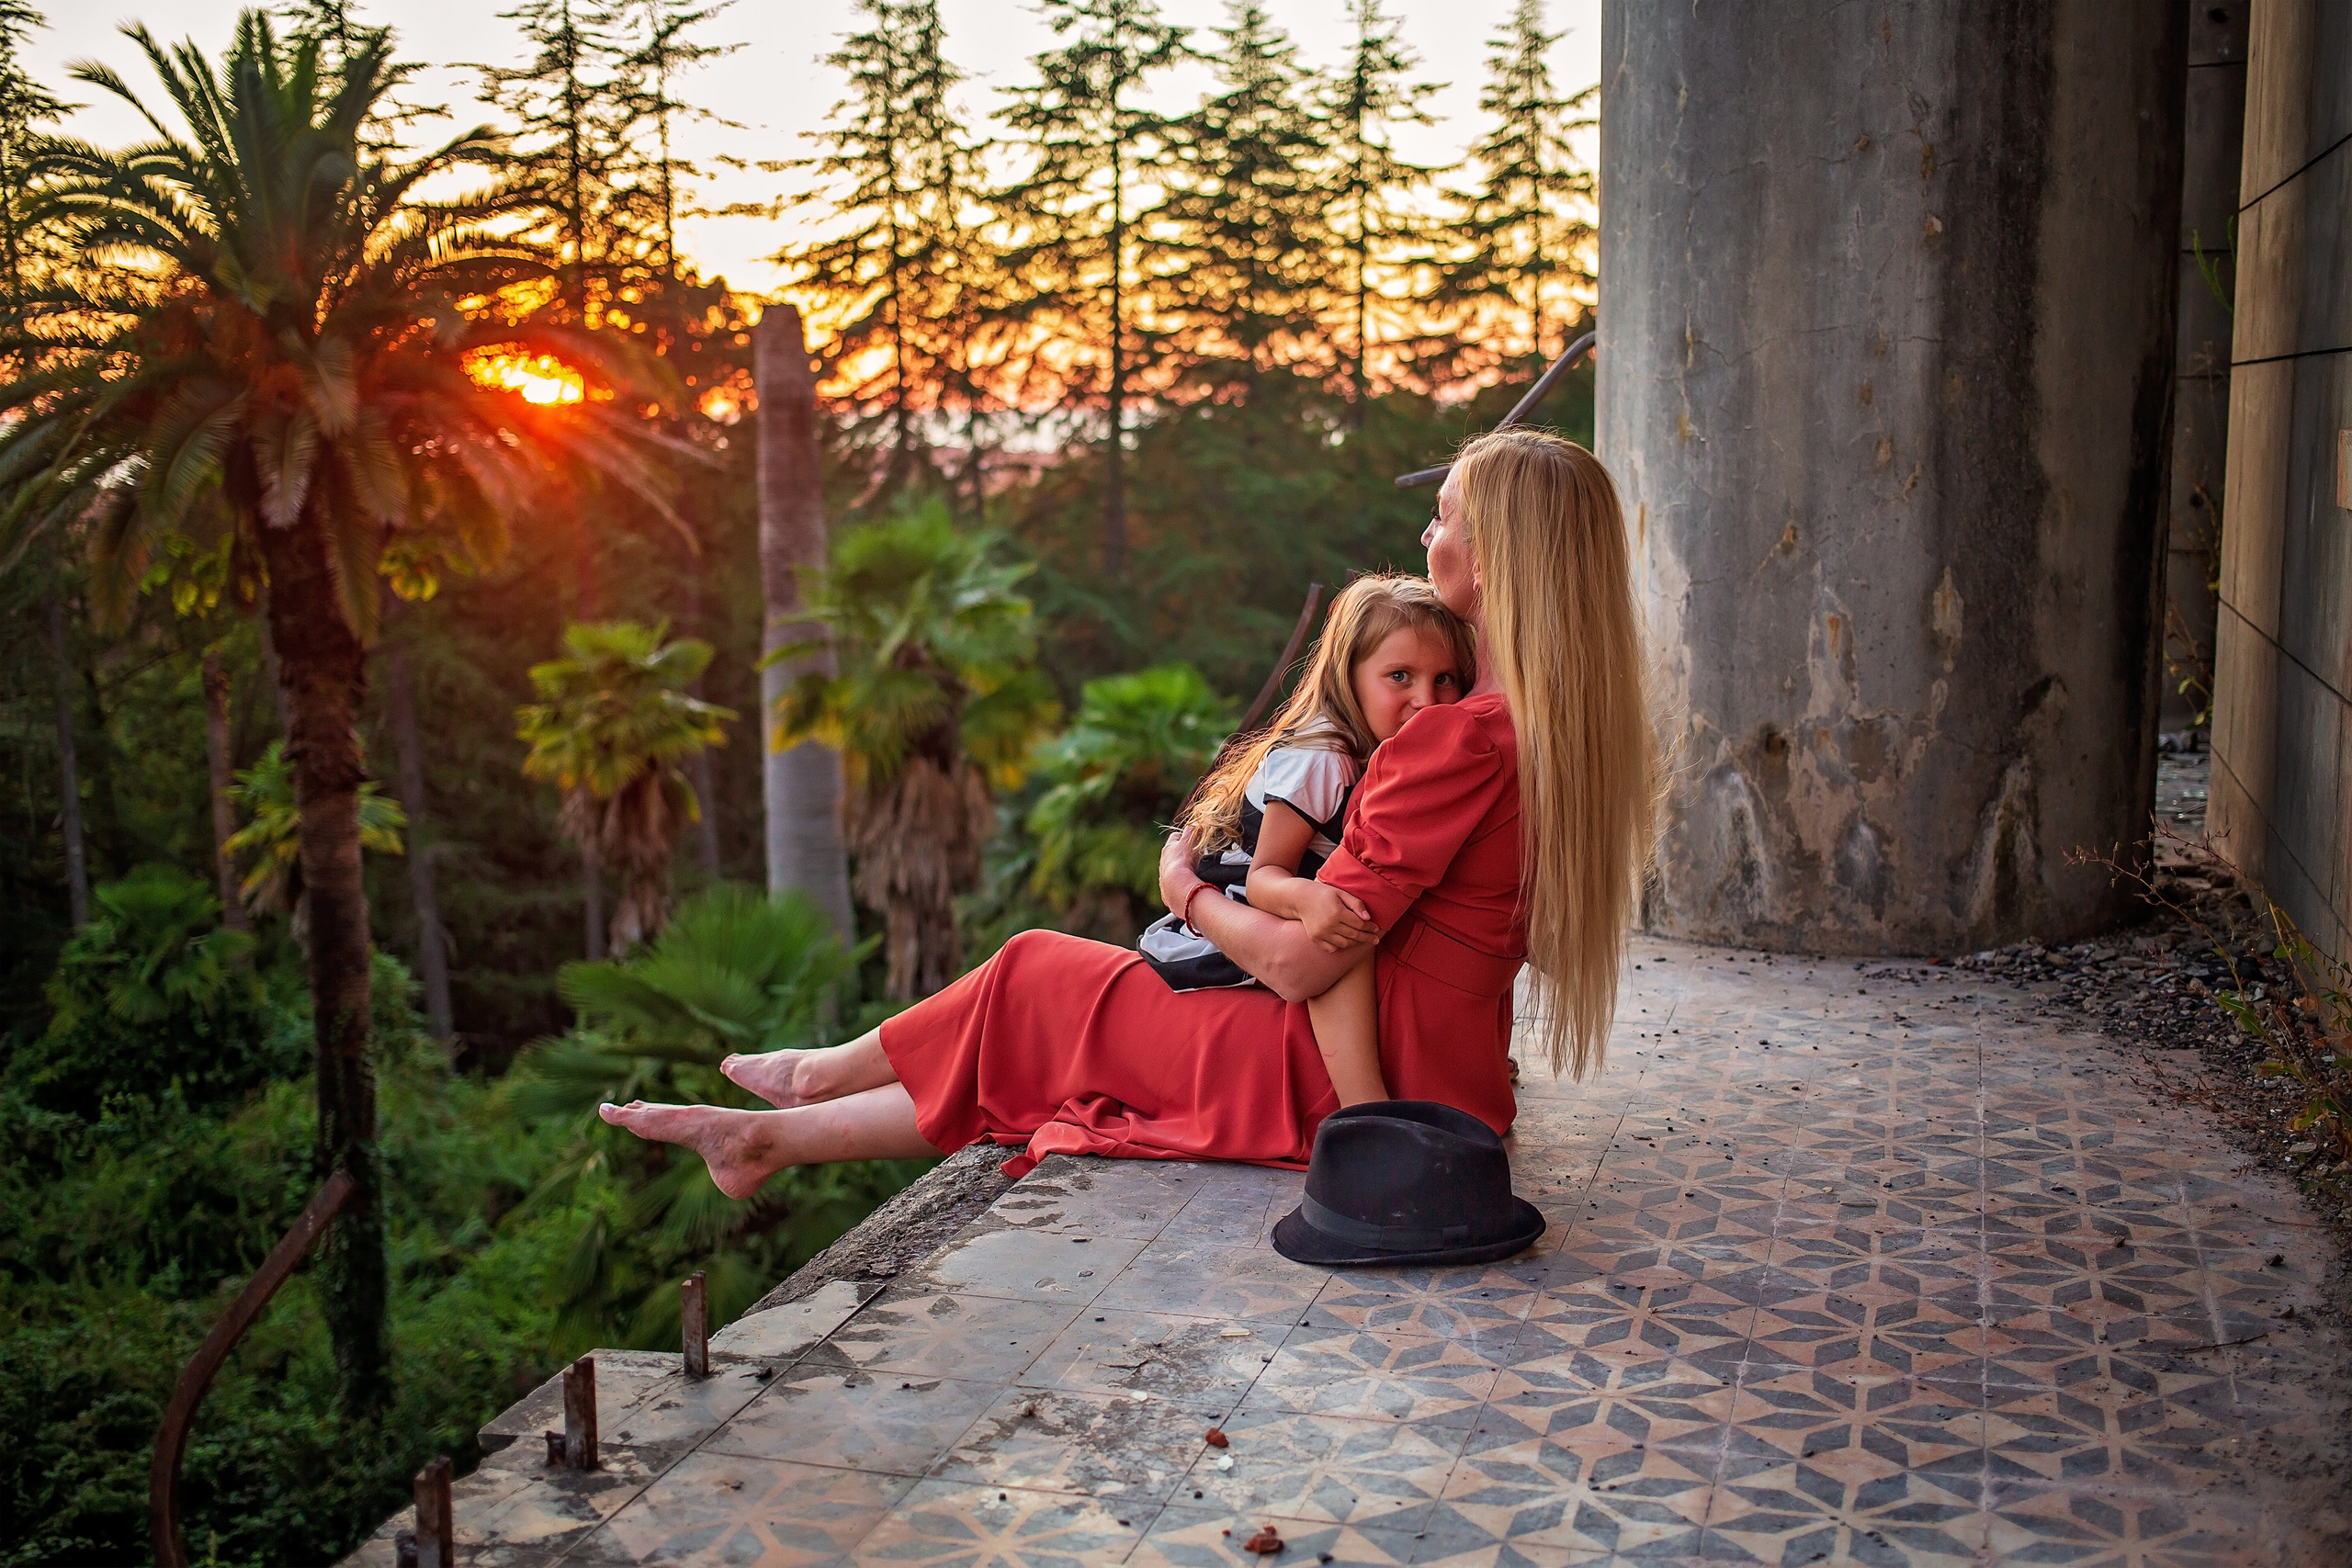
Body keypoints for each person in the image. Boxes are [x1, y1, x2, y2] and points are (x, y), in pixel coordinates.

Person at [599, 430, 1657, 1196]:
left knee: (1036, 974)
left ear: (1492, 559)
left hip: (1361, 1081)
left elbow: (1300, 964)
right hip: (1451, 1066)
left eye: (1445, 520)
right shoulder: (1560, 725)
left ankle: (803, 1095)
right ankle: (773, 1136)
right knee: (1053, 999)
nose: (1427, 535)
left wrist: (1187, 889)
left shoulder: (1456, 737)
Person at [1139, 572, 1476, 1106]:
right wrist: (1312, 898)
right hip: (1243, 911)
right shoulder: (1323, 759)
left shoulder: (1395, 751)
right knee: (1344, 937)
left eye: (1445, 679)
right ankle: (1366, 1112)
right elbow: (1265, 876)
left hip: (1288, 900)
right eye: (1399, 677)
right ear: (1350, 677)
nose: (1426, 700)